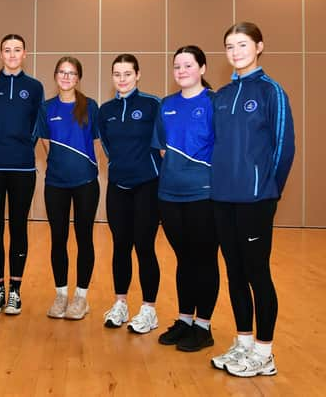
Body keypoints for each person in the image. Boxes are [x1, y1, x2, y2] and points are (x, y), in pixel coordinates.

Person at [210, 22, 295, 377]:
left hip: (256, 199)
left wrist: (269, 190)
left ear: (259, 46)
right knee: (234, 272)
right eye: (229, 46)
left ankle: (265, 352)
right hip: (223, 197)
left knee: (257, 272)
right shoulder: (223, 95)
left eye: (242, 44)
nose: (235, 51)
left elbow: (284, 147)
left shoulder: (271, 91)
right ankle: (243, 342)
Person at [152, 46, 219, 351]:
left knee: (204, 259)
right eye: (177, 66)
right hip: (169, 195)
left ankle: (203, 326)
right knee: (184, 259)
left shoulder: (214, 103)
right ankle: (184, 319)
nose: (181, 71)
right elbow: (163, 150)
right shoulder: (166, 105)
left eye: (188, 65)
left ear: (202, 68)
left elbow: (222, 150)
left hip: (203, 195)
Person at [0, 34, 44, 315]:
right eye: (7, 50)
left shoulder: (35, 87)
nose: (12, 54)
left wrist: (23, 146)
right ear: (0, 54)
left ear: (25, 54)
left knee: (18, 227)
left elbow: (38, 124)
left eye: (17, 50)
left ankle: (15, 290)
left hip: (22, 167)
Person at [98, 54, 162, 334]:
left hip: (148, 185)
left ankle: (149, 309)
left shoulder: (152, 105)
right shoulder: (105, 110)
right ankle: (120, 303)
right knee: (120, 246)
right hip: (118, 186)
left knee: (144, 247)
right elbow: (108, 146)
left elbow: (162, 143)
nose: (122, 79)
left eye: (127, 73)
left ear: (138, 75)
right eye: (117, 74)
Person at [37, 56, 99, 320]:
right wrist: (61, 163)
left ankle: (81, 298)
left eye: (72, 73)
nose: (66, 77)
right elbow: (44, 141)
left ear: (78, 78)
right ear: (55, 76)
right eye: (62, 72)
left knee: (84, 238)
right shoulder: (46, 107)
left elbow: (95, 142)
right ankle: (61, 294)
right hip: (56, 183)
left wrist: (82, 164)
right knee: (58, 239)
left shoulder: (90, 106)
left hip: (85, 183)